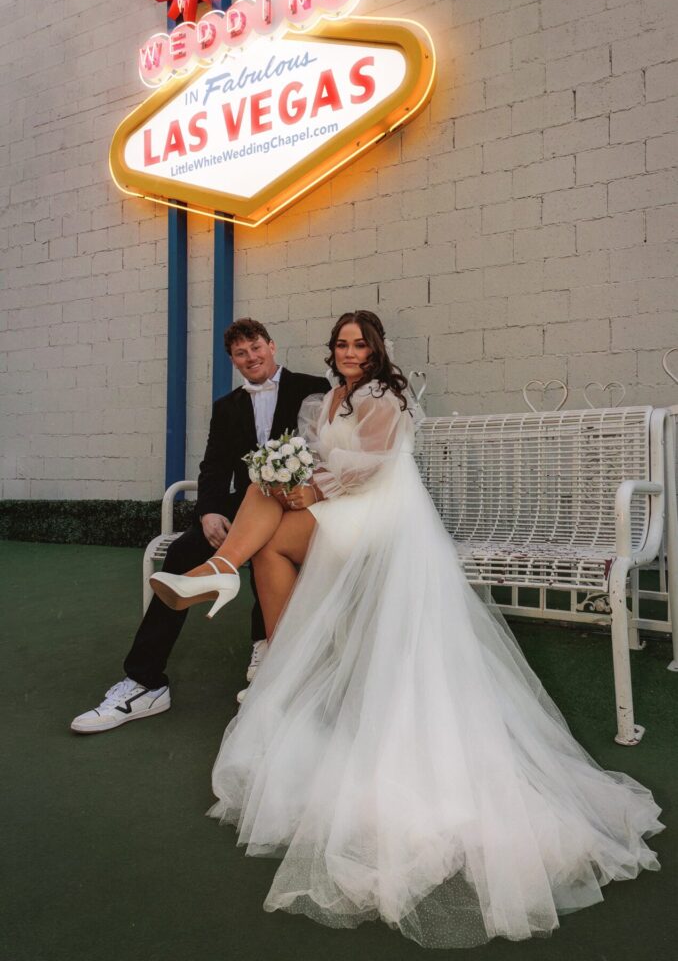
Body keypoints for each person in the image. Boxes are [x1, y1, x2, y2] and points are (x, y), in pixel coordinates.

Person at [148, 311, 662, 948]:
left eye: (360, 343)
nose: (350, 352)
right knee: (270, 522)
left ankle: (228, 586)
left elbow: (376, 466)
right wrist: (295, 477)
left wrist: (314, 488)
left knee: (274, 520)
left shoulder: (385, 395)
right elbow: (312, 454)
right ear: (331, 351)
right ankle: (241, 595)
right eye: (341, 344)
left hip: (383, 516)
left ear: (376, 349)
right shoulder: (322, 397)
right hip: (343, 508)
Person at [70, 318, 329, 734]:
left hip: (299, 502)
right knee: (181, 551)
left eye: (256, 348)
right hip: (247, 501)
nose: (251, 358)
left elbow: (330, 451)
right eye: (241, 354)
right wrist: (208, 512)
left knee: (266, 547)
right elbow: (213, 467)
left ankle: (264, 645)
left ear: (272, 346)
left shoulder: (312, 387)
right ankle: (145, 681)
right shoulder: (226, 407)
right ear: (233, 360)